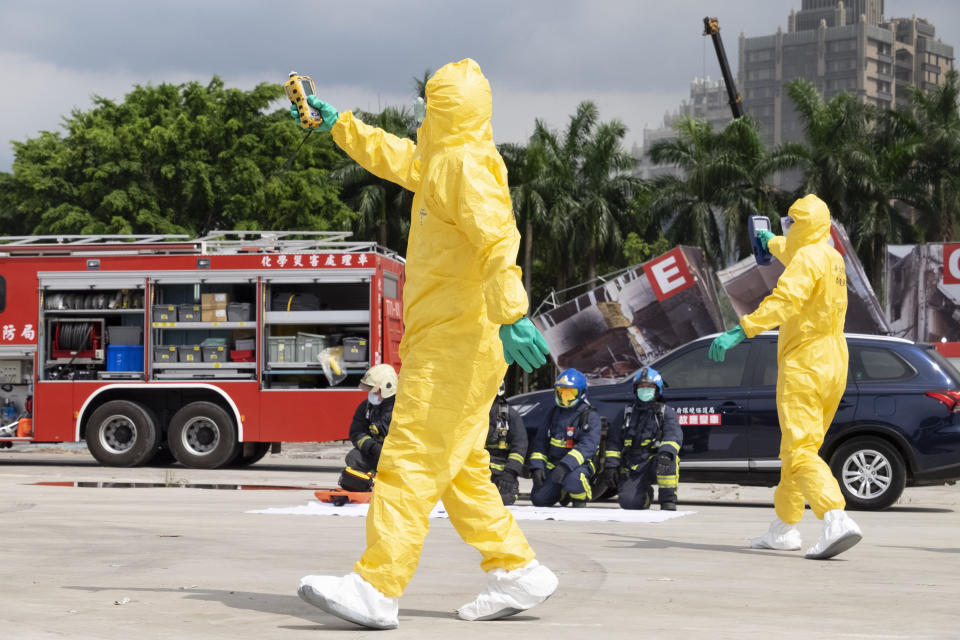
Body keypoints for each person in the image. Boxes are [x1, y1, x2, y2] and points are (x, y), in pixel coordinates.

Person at [294, 59, 557, 629]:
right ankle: (517, 570)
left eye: (427, 105)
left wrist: (511, 313)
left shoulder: (462, 164)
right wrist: (339, 123)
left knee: (409, 458)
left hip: (459, 340)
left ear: (442, 109)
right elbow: (395, 157)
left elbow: (495, 237)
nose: (419, 115)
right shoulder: (444, 160)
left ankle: (376, 585)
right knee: (462, 472)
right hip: (451, 338)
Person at [708, 194, 862, 560]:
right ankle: (783, 528)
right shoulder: (830, 256)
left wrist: (740, 330)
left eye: (788, 224)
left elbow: (784, 301)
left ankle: (835, 518)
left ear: (799, 225)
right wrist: (769, 242)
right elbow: (797, 250)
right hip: (834, 361)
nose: (785, 230)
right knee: (795, 448)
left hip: (804, 363)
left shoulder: (806, 258)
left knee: (800, 449)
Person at [602, 367, 682, 510]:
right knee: (628, 503)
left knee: (669, 459)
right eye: (641, 386)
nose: (645, 389)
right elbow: (614, 441)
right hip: (633, 464)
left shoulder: (666, 413)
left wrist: (666, 452)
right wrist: (611, 465)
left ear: (657, 389)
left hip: (654, 462)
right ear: (635, 389)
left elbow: (673, 436)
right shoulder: (626, 413)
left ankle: (667, 500)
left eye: (649, 386)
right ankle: (645, 496)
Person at [528, 369, 601, 508]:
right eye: (561, 392)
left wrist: (565, 466)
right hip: (554, 464)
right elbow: (540, 443)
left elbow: (587, 447)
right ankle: (562, 492)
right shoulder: (552, 413)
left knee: (573, 479)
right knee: (539, 499)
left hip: (579, 465)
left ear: (581, 393)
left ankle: (581, 497)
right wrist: (537, 467)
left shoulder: (589, 415)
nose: (564, 398)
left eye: (570, 393)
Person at [337, 365, 398, 493]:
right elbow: (356, 433)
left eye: (374, 390)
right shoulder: (366, 408)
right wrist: (372, 447)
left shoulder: (402, 409)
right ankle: (371, 480)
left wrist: (389, 452)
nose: (371, 394)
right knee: (353, 457)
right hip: (375, 454)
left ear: (387, 388)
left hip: (396, 457)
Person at [486, 382, 528, 506]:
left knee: (504, 500)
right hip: (478, 469)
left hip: (503, 472)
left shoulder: (510, 416)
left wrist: (510, 473)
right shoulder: (475, 414)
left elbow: (520, 447)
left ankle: (510, 487)